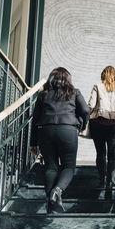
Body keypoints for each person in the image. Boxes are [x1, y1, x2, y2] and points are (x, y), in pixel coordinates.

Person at [30, 67, 89, 213]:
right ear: (68, 79)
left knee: (50, 167)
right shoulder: (75, 92)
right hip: (67, 130)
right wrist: (82, 124)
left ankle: (50, 204)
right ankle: (57, 190)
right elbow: (86, 111)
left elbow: (35, 118)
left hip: (45, 130)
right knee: (68, 166)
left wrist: (33, 143)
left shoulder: (43, 94)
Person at [88, 66, 115, 194]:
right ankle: (109, 184)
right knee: (112, 155)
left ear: (103, 75)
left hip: (98, 124)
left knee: (100, 153)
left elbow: (90, 105)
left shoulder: (97, 87)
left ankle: (101, 180)